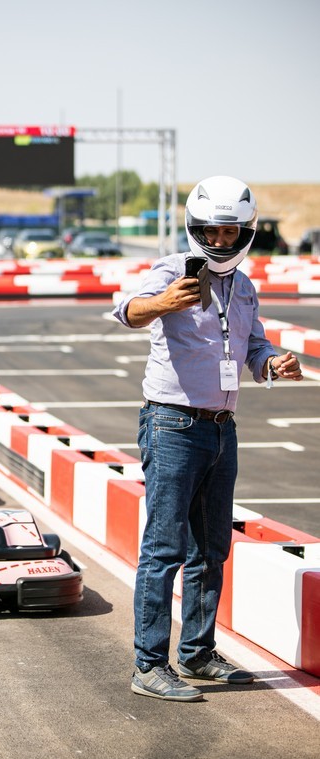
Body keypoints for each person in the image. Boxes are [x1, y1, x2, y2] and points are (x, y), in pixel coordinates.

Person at [113, 176, 303, 702]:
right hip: (171, 424)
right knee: (164, 548)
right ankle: (149, 665)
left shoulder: (243, 286)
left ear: (246, 232)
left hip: (222, 428)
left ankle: (196, 653)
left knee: (211, 548)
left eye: (230, 232)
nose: (219, 242)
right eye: (210, 232)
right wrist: (164, 303)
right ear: (195, 230)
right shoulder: (172, 270)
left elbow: (254, 346)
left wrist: (273, 365)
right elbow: (126, 311)